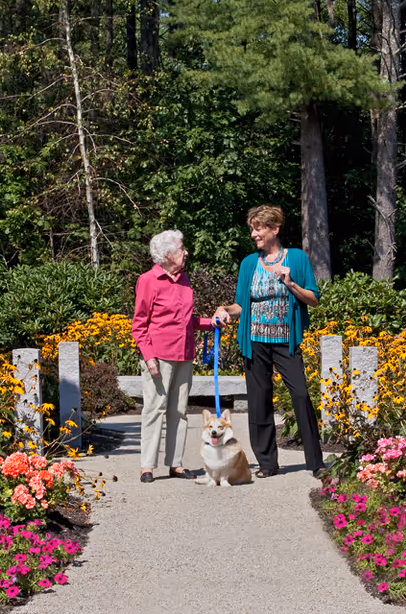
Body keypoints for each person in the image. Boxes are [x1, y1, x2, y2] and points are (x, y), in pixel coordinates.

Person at [214, 205, 326, 479]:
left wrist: (291, 284)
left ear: (275, 229)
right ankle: (267, 463)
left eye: (259, 228)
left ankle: (316, 462)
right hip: (255, 341)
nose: (254, 234)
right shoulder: (249, 263)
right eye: (252, 228)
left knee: (300, 394)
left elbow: (313, 298)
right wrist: (223, 310)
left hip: (286, 341)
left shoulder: (297, 259)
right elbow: (241, 305)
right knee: (259, 400)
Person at [132, 230, 213, 483]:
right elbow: (139, 324)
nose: (185, 252)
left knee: (179, 411)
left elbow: (188, 321)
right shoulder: (148, 280)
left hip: (184, 353)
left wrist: (213, 322)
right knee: (154, 409)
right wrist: (149, 356)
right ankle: (147, 466)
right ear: (166, 254)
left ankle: (175, 464)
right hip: (159, 355)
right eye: (181, 248)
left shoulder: (184, 280)